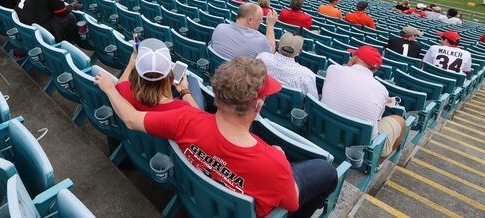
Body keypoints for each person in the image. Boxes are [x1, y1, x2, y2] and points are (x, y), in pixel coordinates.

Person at [94, 57, 338, 218]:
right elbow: (292, 202)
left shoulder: (185, 119)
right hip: (253, 192)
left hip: (197, 199)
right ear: (259, 105)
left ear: (217, 97)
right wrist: (280, 157)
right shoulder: (273, 163)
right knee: (326, 171)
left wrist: (109, 87)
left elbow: (131, 118)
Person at [321, 46, 406, 160]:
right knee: (400, 121)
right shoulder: (382, 90)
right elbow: (377, 119)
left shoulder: (333, 69)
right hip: (357, 145)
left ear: (355, 58)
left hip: (323, 131)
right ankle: (378, 163)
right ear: (375, 69)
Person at [115, 39, 198, 111]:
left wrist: (131, 65)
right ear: (169, 75)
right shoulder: (182, 108)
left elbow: (120, 83)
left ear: (137, 73)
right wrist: (184, 91)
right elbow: (200, 117)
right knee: (193, 81)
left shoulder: (123, 91)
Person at [257, 33, 318, 98]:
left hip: (260, 104)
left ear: (278, 45)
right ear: (300, 51)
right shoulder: (306, 74)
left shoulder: (262, 58)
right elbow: (314, 99)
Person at [210, 3, 277, 59]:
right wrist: (270, 25)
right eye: (260, 19)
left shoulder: (220, 27)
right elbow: (271, 52)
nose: (261, 22)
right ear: (250, 20)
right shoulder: (261, 41)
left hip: (216, 71)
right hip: (239, 74)